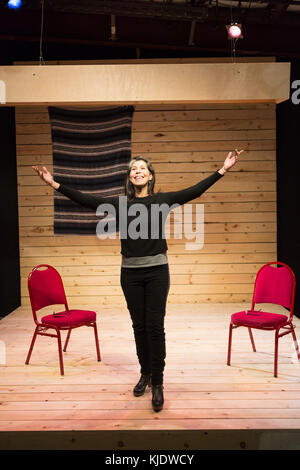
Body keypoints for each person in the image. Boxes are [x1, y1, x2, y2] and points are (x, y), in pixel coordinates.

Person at [32, 149, 242, 412]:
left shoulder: (162, 201)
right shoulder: (121, 205)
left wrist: (223, 169)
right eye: (133, 169)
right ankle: (145, 373)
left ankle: (158, 383)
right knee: (139, 326)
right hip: (129, 274)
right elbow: (87, 200)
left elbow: (195, 190)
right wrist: (54, 184)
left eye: (142, 168)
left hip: (156, 272)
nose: (138, 171)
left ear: (150, 175)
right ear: (130, 178)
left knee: (155, 326)